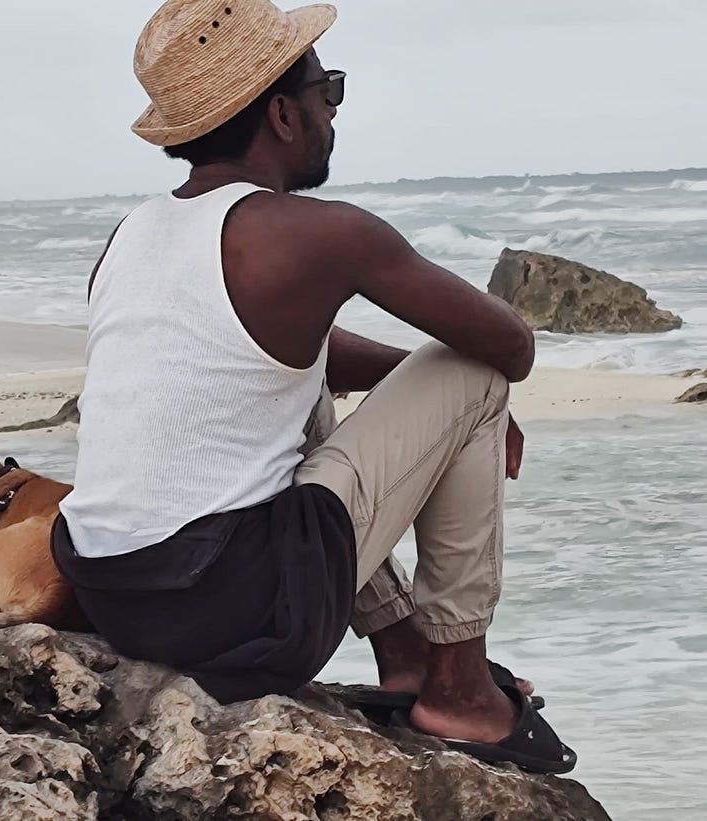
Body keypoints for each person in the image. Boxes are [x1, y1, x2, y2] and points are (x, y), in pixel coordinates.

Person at [51, 0, 575, 774]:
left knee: (299, 378)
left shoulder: (129, 236)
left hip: (116, 599)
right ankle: (459, 690)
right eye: (325, 90)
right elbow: (509, 345)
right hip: (239, 613)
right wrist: (464, 403)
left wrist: (416, 402)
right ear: (284, 117)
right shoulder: (325, 234)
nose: (332, 109)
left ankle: (402, 651)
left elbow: (266, 351)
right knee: (473, 373)